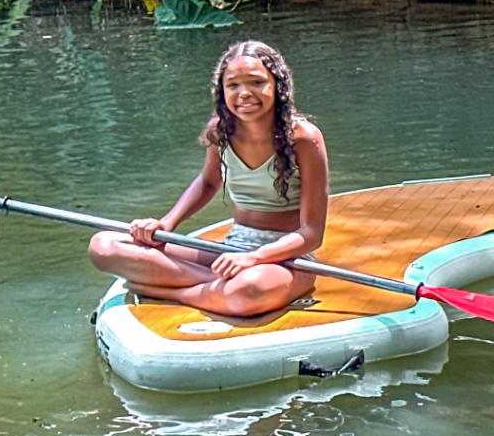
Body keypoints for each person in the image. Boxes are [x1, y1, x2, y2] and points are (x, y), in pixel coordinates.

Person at [87, 40, 328, 317]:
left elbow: (311, 234)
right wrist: (165, 223)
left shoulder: (304, 138)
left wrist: (254, 258)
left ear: (278, 86)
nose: (244, 93)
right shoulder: (220, 130)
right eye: (233, 85)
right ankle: (215, 291)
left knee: (248, 290)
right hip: (233, 245)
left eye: (256, 82)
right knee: (104, 247)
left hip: (286, 258)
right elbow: (208, 182)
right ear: (221, 90)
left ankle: (167, 291)